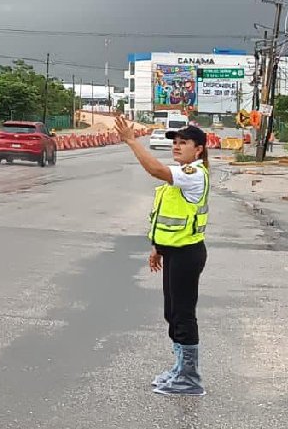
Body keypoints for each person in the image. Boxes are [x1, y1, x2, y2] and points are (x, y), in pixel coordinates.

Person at [113, 115, 209, 397]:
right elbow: (172, 217)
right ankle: (180, 369)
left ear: (199, 149)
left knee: (182, 315)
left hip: (187, 255)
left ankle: (190, 378)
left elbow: (155, 169)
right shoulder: (182, 175)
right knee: (172, 313)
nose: (177, 147)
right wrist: (159, 248)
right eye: (175, 143)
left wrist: (132, 141)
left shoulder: (193, 174)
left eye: (184, 143)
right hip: (175, 253)